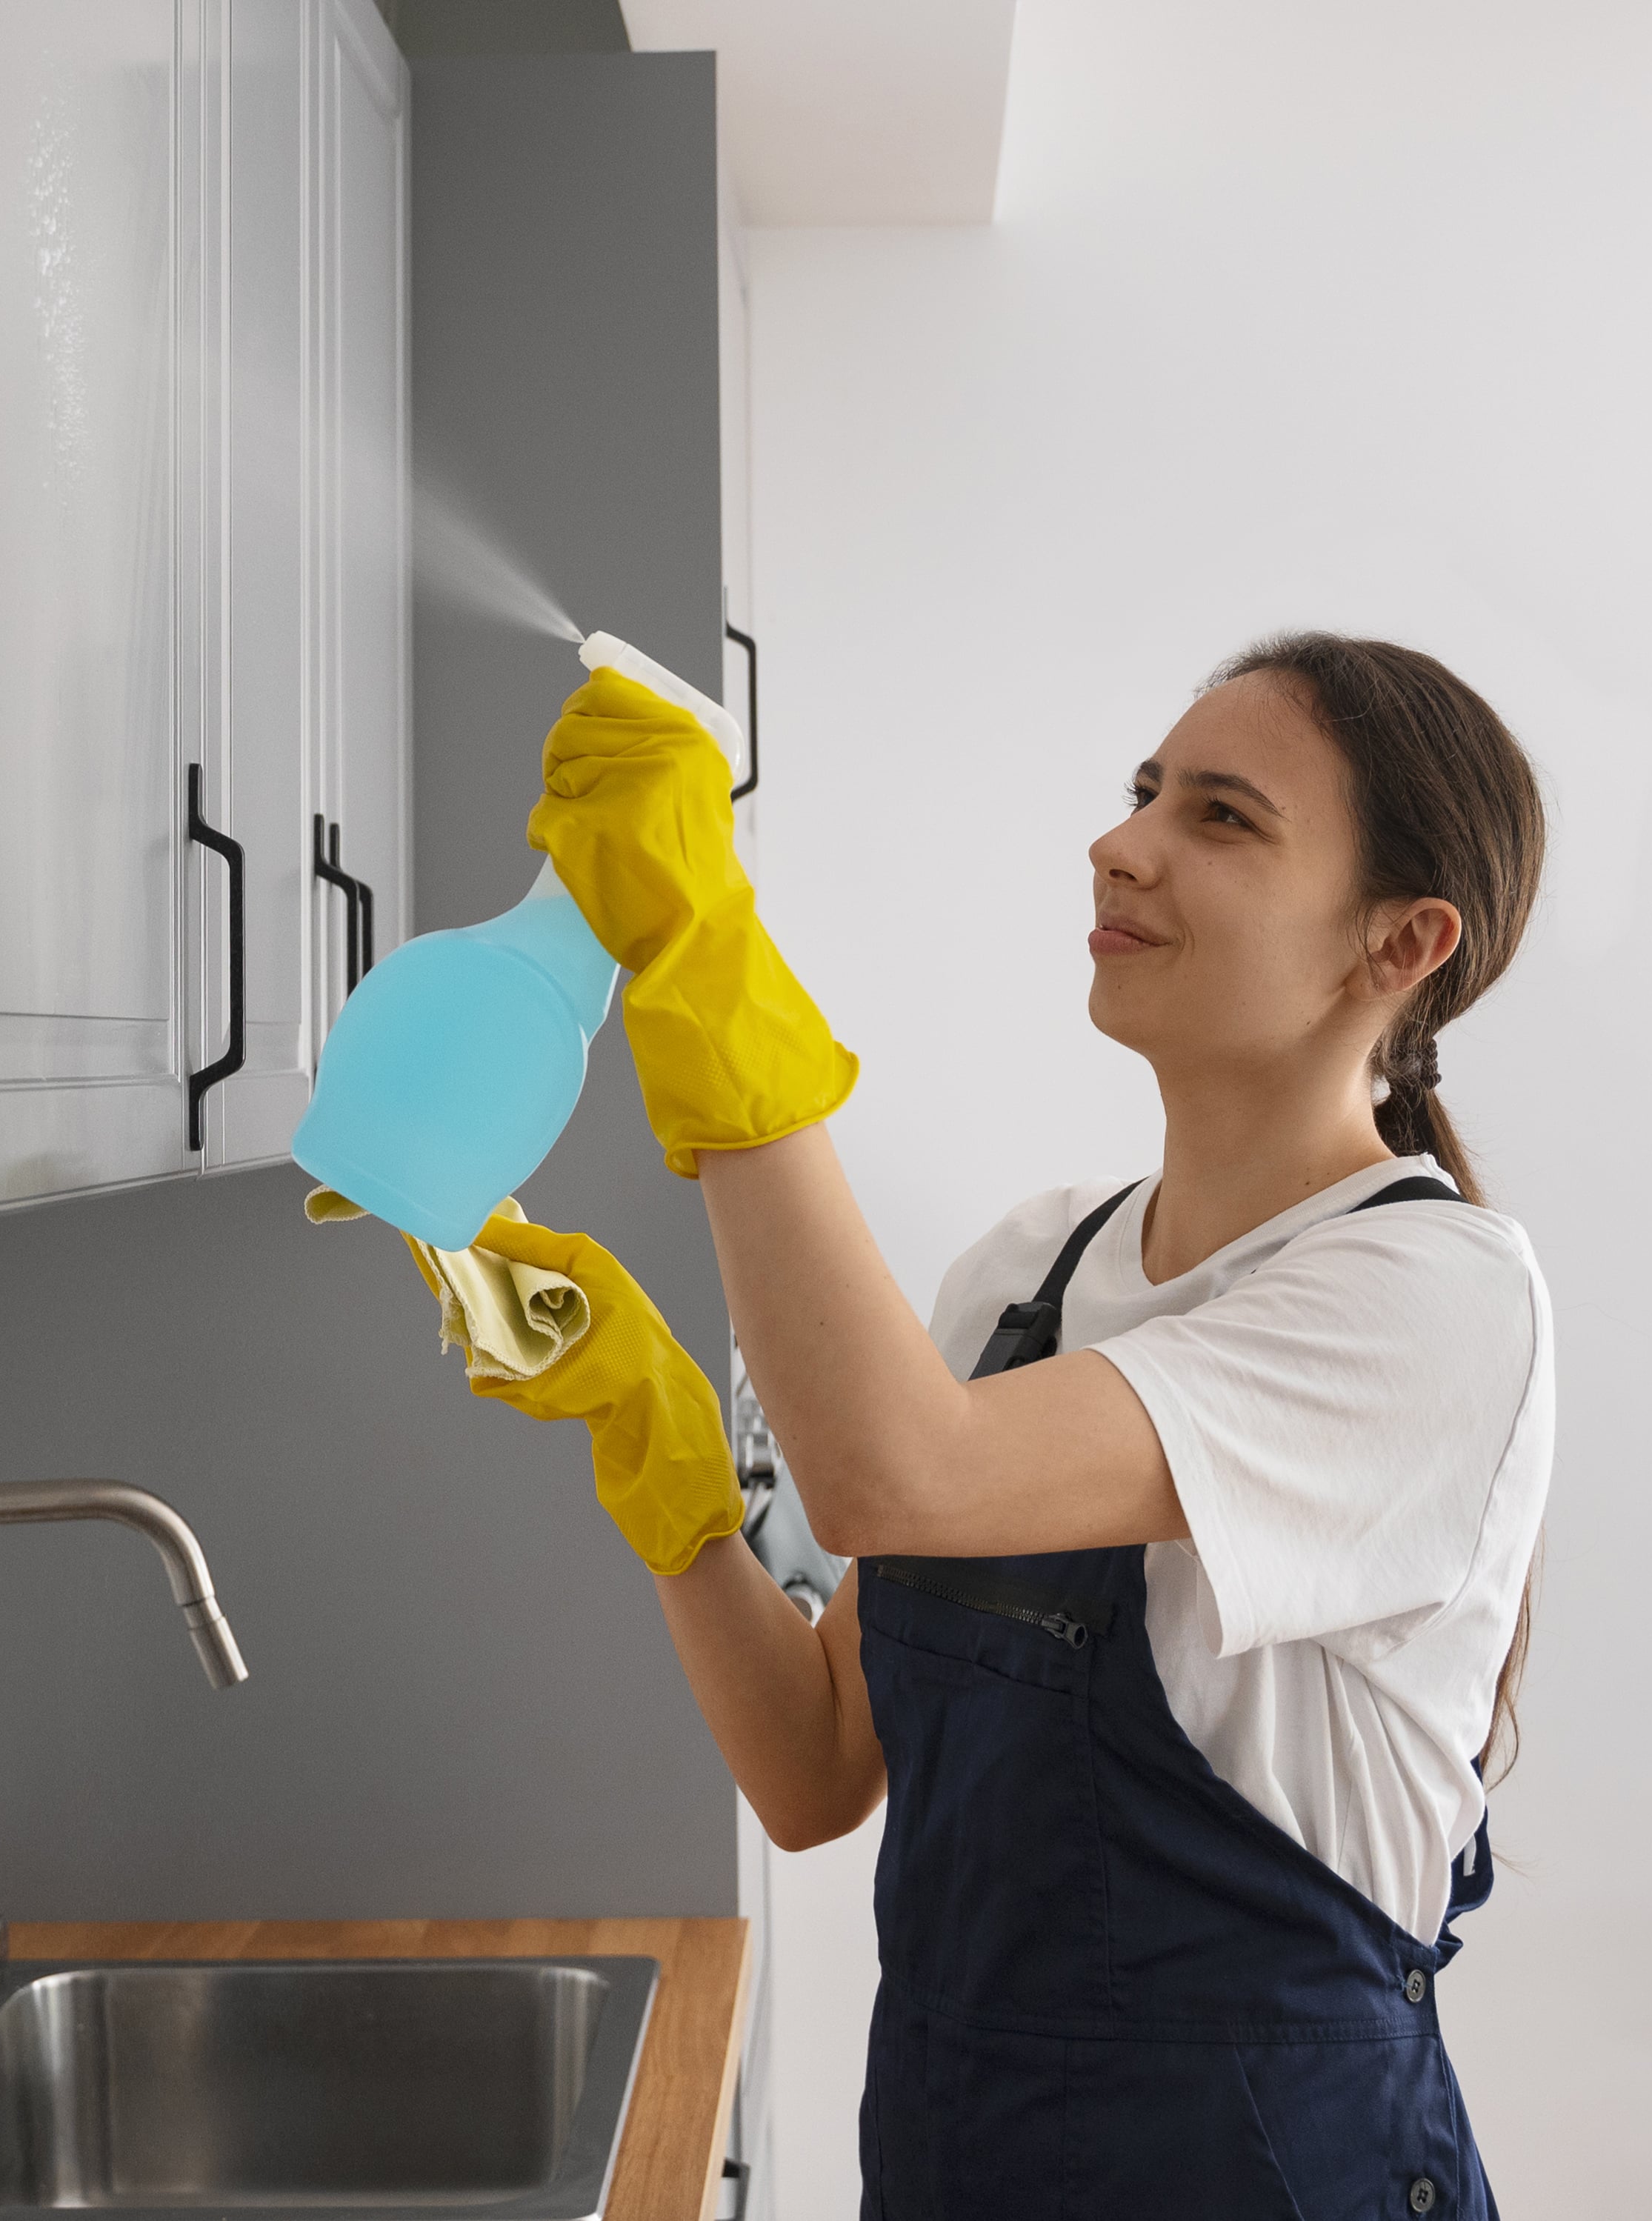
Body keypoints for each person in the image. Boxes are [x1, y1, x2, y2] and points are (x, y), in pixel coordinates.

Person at [458, 633, 1551, 2217]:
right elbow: (818, 1764)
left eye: (1224, 816)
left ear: (1403, 940)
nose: (1125, 842)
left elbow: (896, 1469)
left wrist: (709, 955)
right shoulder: (1029, 1271)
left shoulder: (1434, 1293)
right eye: (1142, 792)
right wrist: (656, 1442)